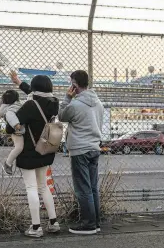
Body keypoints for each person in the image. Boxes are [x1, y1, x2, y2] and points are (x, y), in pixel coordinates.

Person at [10, 71, 60, 238]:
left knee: (31, 187)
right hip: (45, 149)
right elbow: (35, 96)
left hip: (29, 152)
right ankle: (53, 223)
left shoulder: (30, 106)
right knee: (44, 186)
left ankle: (36, 227)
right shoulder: (54, 103)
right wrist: (19, 83)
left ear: (35, 89)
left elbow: (12, 127)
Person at [58, 70, 104, 235]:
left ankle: (88, 224)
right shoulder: (99, 103)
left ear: (74, 85)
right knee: (92, 188)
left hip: (80, 150)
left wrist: (67, 98)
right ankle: (95, 222)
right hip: (94, 148)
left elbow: (61, 116)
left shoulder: (75, 105)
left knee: (83, 189)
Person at [0, 89, 25, 175]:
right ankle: (8, 163)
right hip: (18, 132)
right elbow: (10, 115)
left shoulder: (10, 107)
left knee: (21, 148)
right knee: (19, 147)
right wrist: (16, 125)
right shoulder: (12, 108)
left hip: (19, 131)